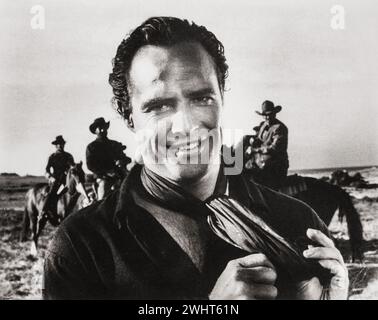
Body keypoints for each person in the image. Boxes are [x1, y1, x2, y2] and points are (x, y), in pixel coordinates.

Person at [43, 17, 348, 300]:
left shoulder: (298, 221)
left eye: (201, 98)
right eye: (159, 106)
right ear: (130, 118)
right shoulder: (80, 247)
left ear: (222, 100)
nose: (186, 125)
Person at [86, 117, 131, 200]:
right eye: (100, 128)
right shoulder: (92, 147)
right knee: (102, 200)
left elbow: (126, 158)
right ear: (95, 131)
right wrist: (106, 173)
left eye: (104, 127)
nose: (103, 130)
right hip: (104, 178)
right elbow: (90, 165)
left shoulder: (114, 144)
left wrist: (122, 161)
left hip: (120, 176)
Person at [251, 100, 289, 189]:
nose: (267, 117)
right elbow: (259, 139)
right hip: (263, 162)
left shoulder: (280, 128)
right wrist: (252, 141)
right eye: (265, 115)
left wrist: (255, 150)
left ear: (275, 114)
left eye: (270, 114)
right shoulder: (264, 125)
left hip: (276, 166)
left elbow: (275, 148)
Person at [43, 135, 75, 221]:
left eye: (61, 144)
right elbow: (46, 170)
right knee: (51, 193)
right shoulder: (52, 157)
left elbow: (73, 167)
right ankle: (44, 211)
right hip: (56, 180)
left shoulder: (69, 156)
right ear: (55, 145)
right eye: (58, 144)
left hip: (67, 179)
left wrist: (71, 170)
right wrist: (50, 177)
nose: (60, 146)